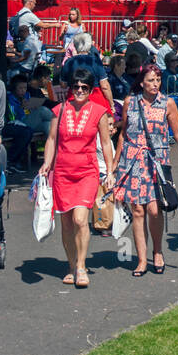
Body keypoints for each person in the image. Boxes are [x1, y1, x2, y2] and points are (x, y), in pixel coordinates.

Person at [113, 63, 178, 275]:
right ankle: (142, 259)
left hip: (157, 162)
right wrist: (114, 163)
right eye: (151, 80)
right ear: (141, 82)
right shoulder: (130, 102)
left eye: (158, 80)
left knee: (154, 209)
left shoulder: (167, 103)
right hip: (132, 161)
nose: (155, 84)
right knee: (138, 210)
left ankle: (158, 251)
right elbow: (123, 133)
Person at [40, 68, 115, 288]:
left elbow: (105, 142)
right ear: (71, 89)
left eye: (84, 87)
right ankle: (71, 266)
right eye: (76, 87)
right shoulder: (60, 110)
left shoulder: (99, 112)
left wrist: (110, 171)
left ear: (91, 90)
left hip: (86, 173)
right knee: (66, 223)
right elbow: (52, 139)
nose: (80, 90)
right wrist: (46, 163)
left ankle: (81, 266)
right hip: (62, 172)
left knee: (80, 220)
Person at [60, 33, 114, 112]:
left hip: (74, 97)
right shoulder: (95, 61)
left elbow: (63, 85)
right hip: (95, 98)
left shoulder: (69, 62)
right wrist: (111, 103)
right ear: (89, 45)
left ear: (75, 45)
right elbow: (104, 86)